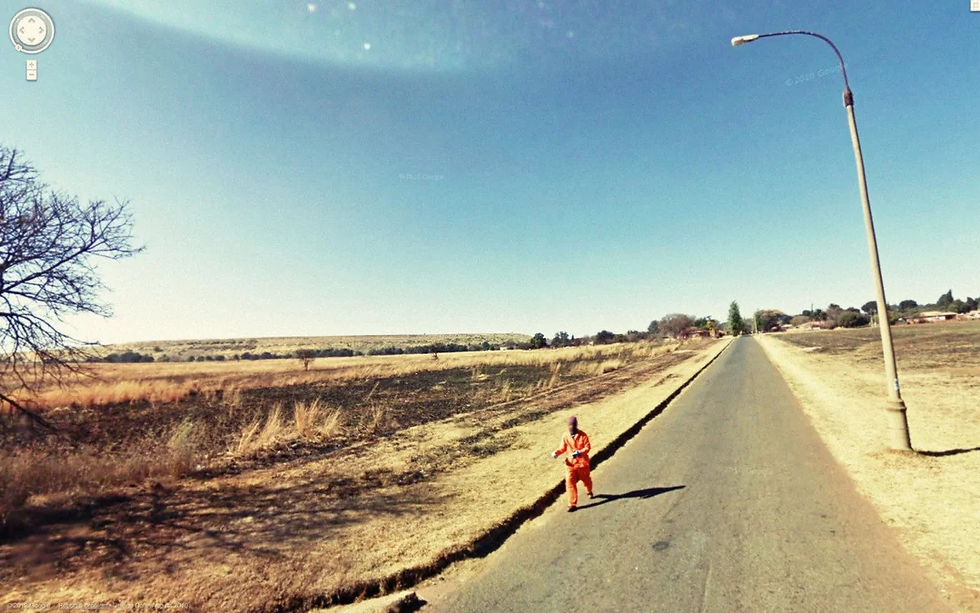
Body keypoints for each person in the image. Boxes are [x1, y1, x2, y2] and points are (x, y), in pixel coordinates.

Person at [552, 415, 593, 512]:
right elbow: (562, 448)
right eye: (570, 426)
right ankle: (572, 504)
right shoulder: (565, 435)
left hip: (582, 464)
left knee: (586, 479)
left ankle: (589, 490)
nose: (571, 427)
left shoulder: (583, 435)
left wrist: (579, 452)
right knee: (569, 483)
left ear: (576, 425)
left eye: (573, 425)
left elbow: (587, 447)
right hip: (570, 464)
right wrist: (556, 453)